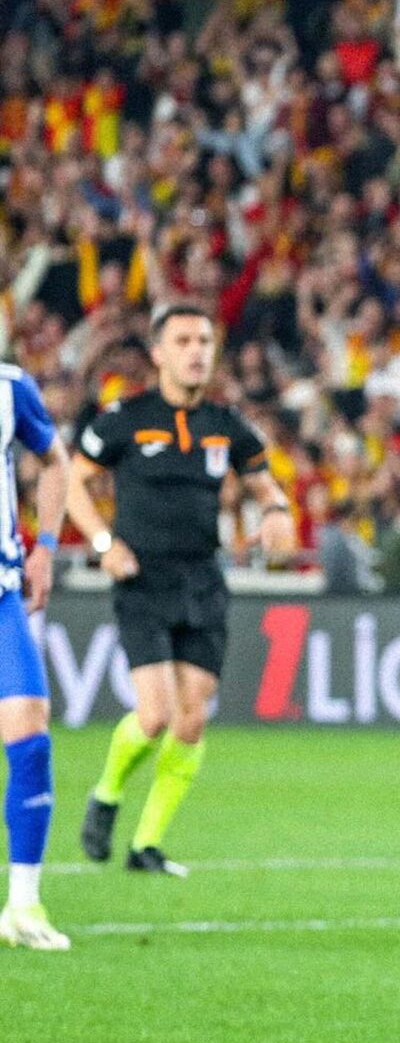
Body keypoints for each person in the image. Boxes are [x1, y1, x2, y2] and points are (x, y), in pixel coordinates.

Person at [68, 305, 296, 875]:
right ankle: (106, 792)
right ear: (158, 353)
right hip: (141, 578)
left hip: (202, 580)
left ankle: (146, 845)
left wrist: (276, 510)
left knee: (191, 720)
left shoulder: (227, 424)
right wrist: (103, 543)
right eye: (184, 341)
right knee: (155, 714)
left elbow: (264, 483)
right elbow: (73, 483)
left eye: (204, 341)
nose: (196, 352)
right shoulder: (126, 418)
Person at [0, 362, 70, 950]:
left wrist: (44, 546)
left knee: (31, 735)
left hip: (1, 594)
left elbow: (55, 460)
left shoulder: (11, 387)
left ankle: (23, 906)